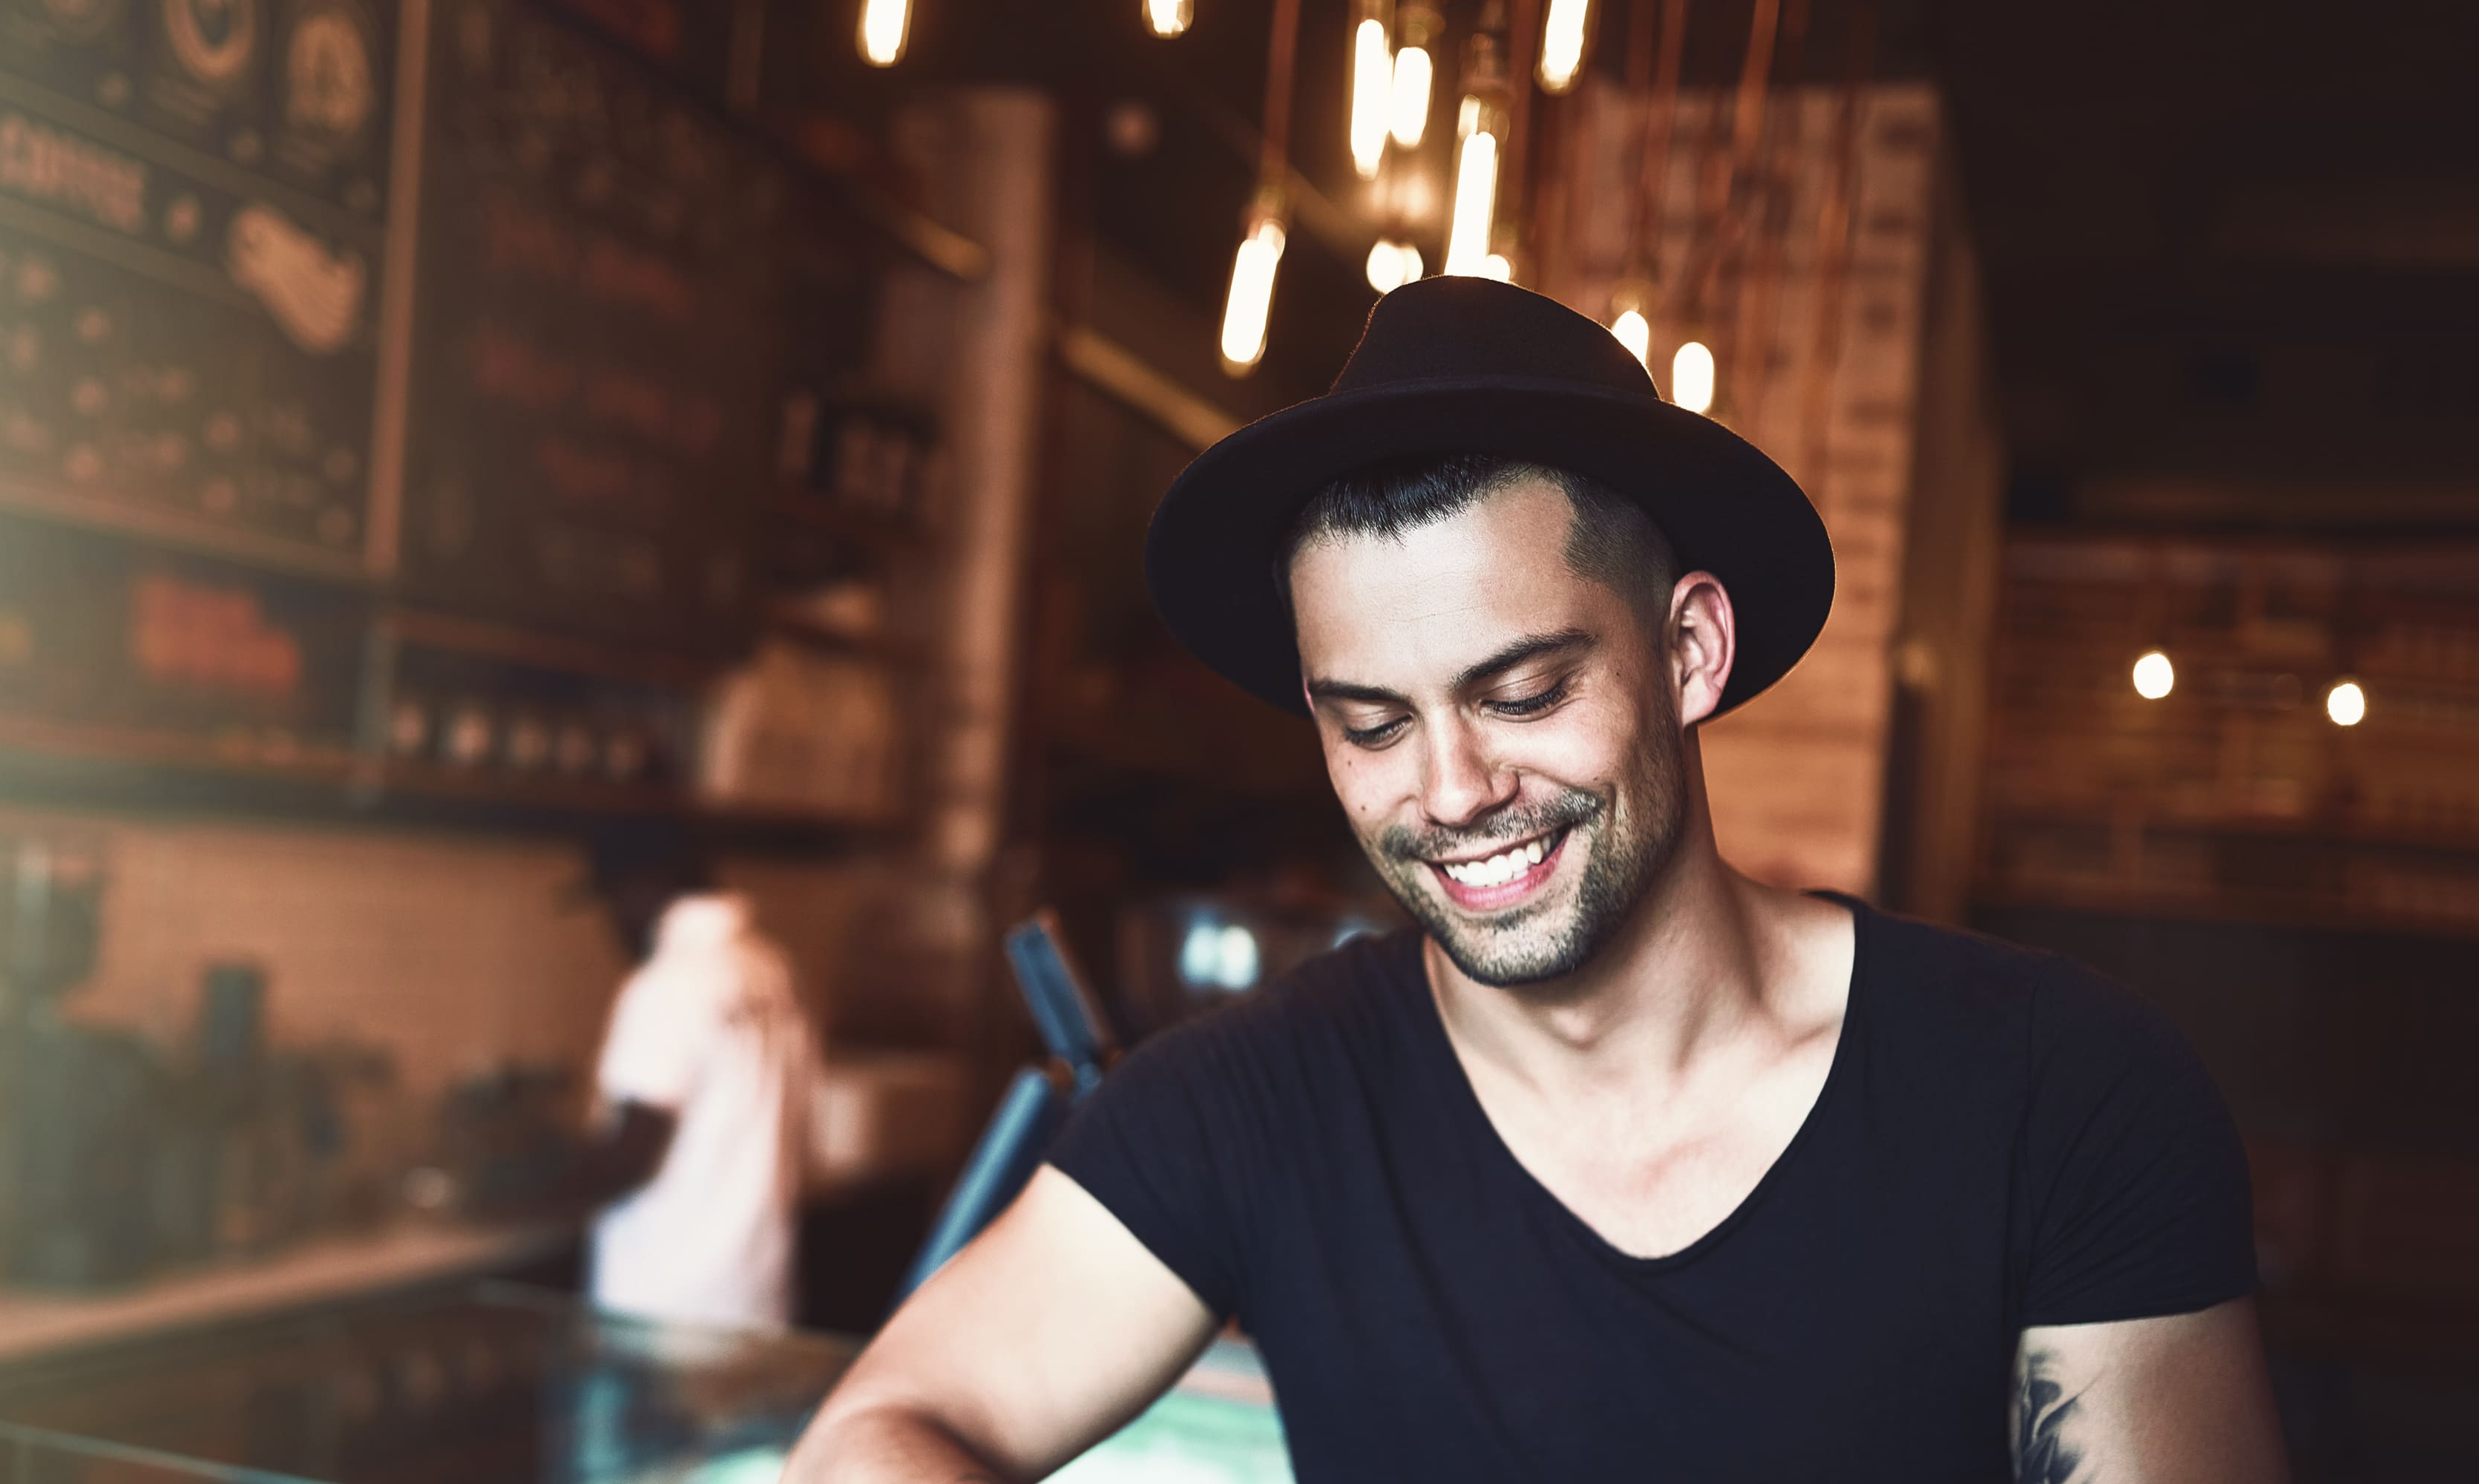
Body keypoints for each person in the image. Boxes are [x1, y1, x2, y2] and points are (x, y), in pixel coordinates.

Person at [784, 278, 2285, 1483]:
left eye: (1518, 692)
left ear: (1687, 651)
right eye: (1370, 721)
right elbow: (880, 1430)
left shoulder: (2058, 1094)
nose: (1448, 793)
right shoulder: (1261, 1102)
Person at [548, 826, 817, 1330]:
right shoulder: (770, 967)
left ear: (646, 887)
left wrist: (509, 1195)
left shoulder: (669, 983)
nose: (614, 925)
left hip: (661, 1313)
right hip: (755, 1298)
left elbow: (632, 1153)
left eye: (612, 901)